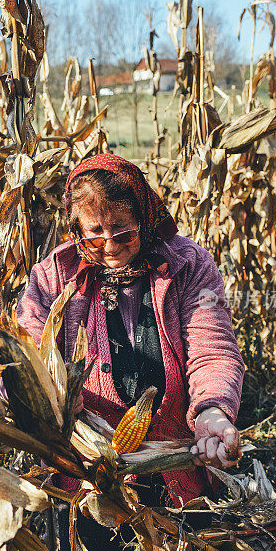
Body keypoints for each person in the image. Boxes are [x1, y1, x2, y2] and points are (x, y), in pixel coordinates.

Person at [17, 153, 244, 511]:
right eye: (94, 233)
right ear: (76, 228)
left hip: (177, 461)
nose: (109, 245)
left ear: (144, 216)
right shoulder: (52, 276)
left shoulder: (189, 265)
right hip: (87, 474)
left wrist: (212, 411)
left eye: (123, 230)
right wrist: (50, 397)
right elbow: (23, 358)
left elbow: (212, 350)